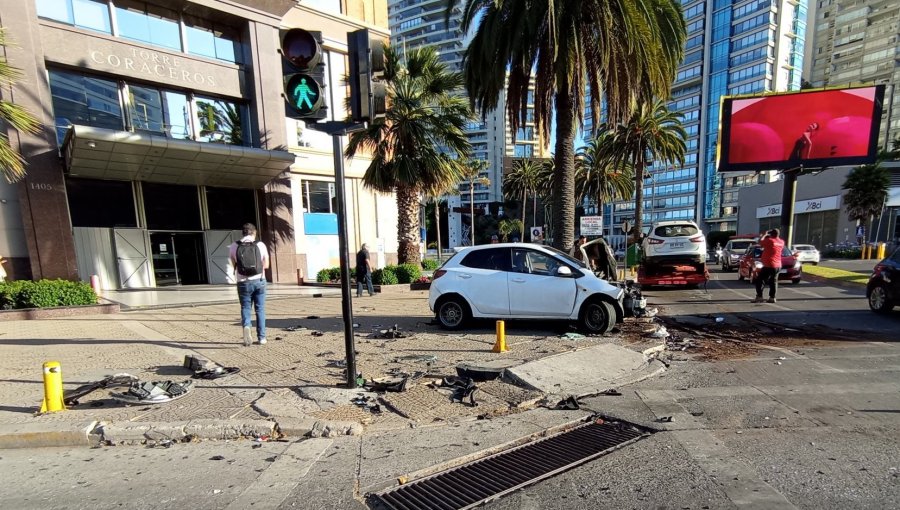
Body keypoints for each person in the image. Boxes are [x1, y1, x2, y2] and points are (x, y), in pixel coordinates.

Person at [227, 223, 269, 346]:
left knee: (245, 308)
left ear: (243, 233)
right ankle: (262, 338)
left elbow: (232, 264)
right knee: (260, 309)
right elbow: (266, 265)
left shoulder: (234, 246)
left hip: (243, 282)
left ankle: (246, 325)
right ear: (254, 233)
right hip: (259, 281)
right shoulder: (260, 245)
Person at [753, 228, 784, 304]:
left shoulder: (770, 241)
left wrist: (764, 235)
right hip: (778, 265)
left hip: (769, 264)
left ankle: (759, 296)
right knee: (773, 281)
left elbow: (760, 242)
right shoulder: (781, 242)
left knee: (760, 280)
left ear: (771, 234)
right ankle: (772, 297)